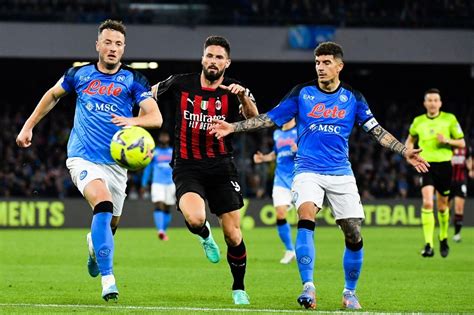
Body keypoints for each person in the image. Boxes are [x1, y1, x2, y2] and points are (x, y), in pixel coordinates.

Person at [210, 41, 429, 310]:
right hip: (307, 170)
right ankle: (308, 287)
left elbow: (376, 130)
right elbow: (269, 118)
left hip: (340, 172)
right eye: (317, 62)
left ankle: (349, 292)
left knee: (353, 232)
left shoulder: (353, 97)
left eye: (326, 63)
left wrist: (404, 150)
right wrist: (234, 126)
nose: (320, 68)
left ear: (339, 66)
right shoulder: (302, 93)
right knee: (305, 216)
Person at [16, 20, 162, 302]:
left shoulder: (133, 80)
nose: (112, 48)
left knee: (110, 223)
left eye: (118, 44)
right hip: (82, 157)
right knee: (103, 204)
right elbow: (52, 96)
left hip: (118, 164)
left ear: (123, 48)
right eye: (107, 42)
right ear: (97, 45)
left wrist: (131, 121)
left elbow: (155, 117)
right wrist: (28, 126)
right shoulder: (79, 74)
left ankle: (94, 249)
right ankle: (109, 280)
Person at [151, 36, 258, 305]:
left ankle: (238, 287)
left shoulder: (235, 91)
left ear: (227, 62)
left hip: (222, 167)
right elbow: (146, 93)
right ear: (202, 59)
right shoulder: (180, 83)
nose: (213, 61)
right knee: (196, 219)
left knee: (233, 234)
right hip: (187, 165)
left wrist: (244, 98)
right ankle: (204, 236)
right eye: (209, 56)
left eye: (219, 57)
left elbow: (254, 119)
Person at [405, 88, 465, 257]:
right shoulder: (418, 121)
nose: (432, 103)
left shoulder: (449, 119)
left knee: (442, 206)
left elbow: (461, 142)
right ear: (425, 103)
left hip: (445, 166)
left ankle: (443, 237)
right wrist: (408, 154)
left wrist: (446, 140)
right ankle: (429, 245)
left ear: (440, 103)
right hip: (426, 165)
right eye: (429, 100)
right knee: (427, 203)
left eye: (435, 100)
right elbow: (409, 140)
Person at [253, 118, 297, 264]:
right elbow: (276, 153)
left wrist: (300, 150)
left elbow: (312, 151)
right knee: (280, 214)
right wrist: (264, 158)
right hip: (281, 179)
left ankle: (304, 250)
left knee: (304, 218)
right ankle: (290, 250)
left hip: (299, 179)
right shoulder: (277, 133)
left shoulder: (300, 130)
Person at [140, 131, 175, 240]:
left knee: (167, 207)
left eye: (166, 136)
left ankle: (163, 231)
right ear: (159, 138)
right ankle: (160, 230)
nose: (164, 138)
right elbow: (148, 168)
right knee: (159, 204)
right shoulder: (154, 152)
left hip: (171, 183)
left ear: (168, 138)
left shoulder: (172, 152)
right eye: (162, 136)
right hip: (157, 182)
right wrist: (144, 183)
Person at [450, 145, 472, 242]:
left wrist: (470, 168)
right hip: (448, 181)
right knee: (445, 209)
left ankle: (457, 234)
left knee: (459, 208)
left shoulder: (466, 148)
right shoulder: (447, 146)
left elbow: (469, 162)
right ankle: (444, 232)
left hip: (461, 181)